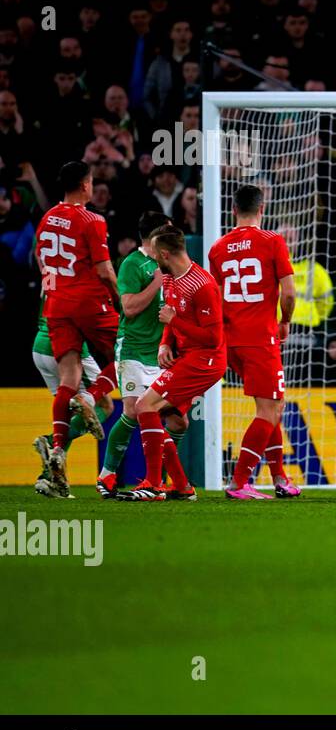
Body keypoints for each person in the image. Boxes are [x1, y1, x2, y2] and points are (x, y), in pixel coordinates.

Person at [115, 227, 225, 502]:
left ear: (164, 253)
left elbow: (213, 338)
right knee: (175, 420)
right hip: (186, 356)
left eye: (154, 252)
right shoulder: (168, 277)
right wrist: (165, 342)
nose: (151, 257)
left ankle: (153, 483)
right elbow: (169, 316)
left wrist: (173, 322)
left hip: (206, 360)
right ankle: (182, 486)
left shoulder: (203, 285)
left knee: (144, 406)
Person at [33, 160, 121, 497]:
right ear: (85, 185)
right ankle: (93, 396)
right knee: (127, 349)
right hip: (87, 302)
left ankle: (56, 451)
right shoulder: (91, 219)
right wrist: (118, 303)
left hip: (55, 305)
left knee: (68, 378)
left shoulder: (45, 219)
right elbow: (103, 270)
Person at [208, 185, 298, 499]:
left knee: (271, 405)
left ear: (234, 210)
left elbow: (214, 297)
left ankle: (280, 477)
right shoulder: (272, 241)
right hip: (260, 337)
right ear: (262, 208)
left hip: (231, 339)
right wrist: (284, 321)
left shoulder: (217, 248)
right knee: (270, 408)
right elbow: (288, 292)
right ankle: (239, 482)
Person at [96, 211, 189, 497]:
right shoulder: (131, 264)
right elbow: (129, 308)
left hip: (161, 353)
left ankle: (161, 478)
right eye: (169, 231)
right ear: (158, 233)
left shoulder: (169, 263)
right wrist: (156, 283)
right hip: (134, 348)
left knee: (178, 421)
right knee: (135, 411)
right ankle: (107, 476)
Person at [30, 309, 111, 497]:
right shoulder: (82, 281)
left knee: (69, 413)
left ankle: (48, 479)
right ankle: (50, 442)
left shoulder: (52, 279)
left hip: (40, 344)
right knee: (104, 405)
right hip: (66, 348)